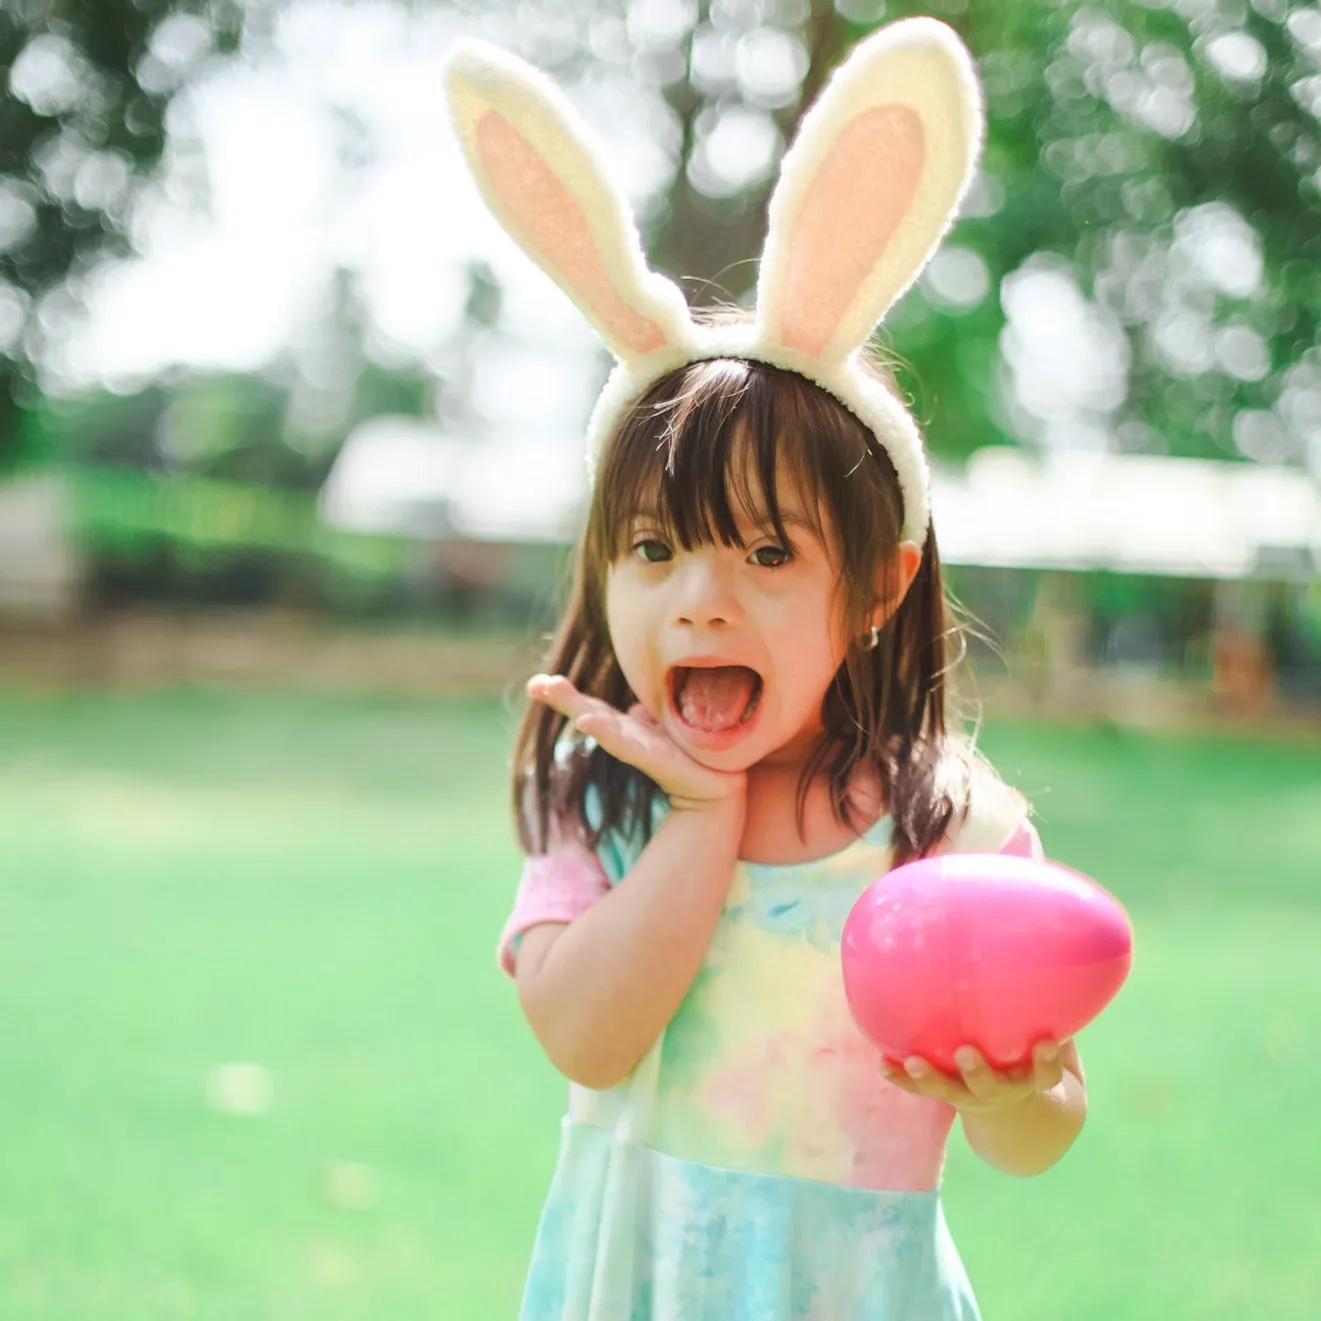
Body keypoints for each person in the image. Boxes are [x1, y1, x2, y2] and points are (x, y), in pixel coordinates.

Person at [445, 17, 1088, 1319]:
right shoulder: (604, 802)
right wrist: (700, 815)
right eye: (653, 548)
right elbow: (587, 1035)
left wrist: (1018, 1088)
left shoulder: (946, 827)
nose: (700, 599)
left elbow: (1043, 1125)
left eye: (765, 551)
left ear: (876, 587)